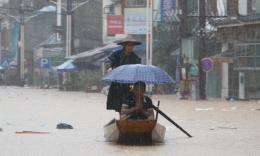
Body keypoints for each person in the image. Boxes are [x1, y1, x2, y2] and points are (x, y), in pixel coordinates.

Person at [106, 35, 141, 113]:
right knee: (119, 106)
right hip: (118, 84)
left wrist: (134, 85)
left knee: (129, 106)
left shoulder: (136, 58)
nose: (130, 47)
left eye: (131, 45)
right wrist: (109, 67)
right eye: (128, 44)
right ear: (124, 45)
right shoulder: (117, 54)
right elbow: (110, 60)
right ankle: (122, 121)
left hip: (129, 85)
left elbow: (137, 73)